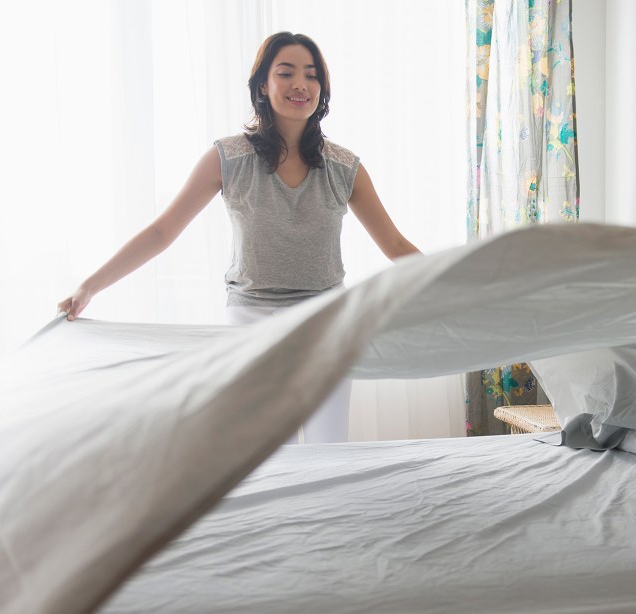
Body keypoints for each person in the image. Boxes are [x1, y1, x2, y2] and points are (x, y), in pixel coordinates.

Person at [57, 31, 420, 444]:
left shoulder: (345, 166)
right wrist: (90, 285)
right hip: (250, 319)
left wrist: (459, 284)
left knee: (328, 447)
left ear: (323, 89)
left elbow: (395, 245)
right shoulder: (228, 158)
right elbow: (162, 231)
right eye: (286, 73)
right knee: (258, 453)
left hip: (327, 321)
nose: (301, 84)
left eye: (312, 75)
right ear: (263, 86)